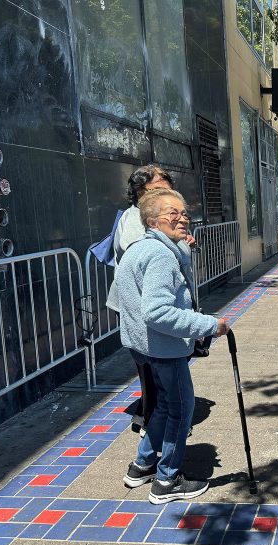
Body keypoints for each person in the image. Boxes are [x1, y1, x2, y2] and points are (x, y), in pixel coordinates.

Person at [117, 188, 230, 504]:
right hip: (163, 349)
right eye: (173, 213)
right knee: (180, 409)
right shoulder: (160, 255)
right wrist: (209, 325)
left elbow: (122, 297)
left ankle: (142, 465)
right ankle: (166, 481)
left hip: (143, 347)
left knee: (164, 406)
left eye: (184, 212)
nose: (182, 217)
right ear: (152, 220)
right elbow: (156, 312)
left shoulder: (139, 249)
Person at [106, 165, 189, 437]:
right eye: (156, 190)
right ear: (140, 193)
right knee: (155, 374)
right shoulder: (134, 220)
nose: (164, 196)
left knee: (162, 375)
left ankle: (156, 426)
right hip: (144, 309)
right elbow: (147, 257)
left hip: (158, 305)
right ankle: (154, 427)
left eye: (167, 189)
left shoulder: (164, 219)